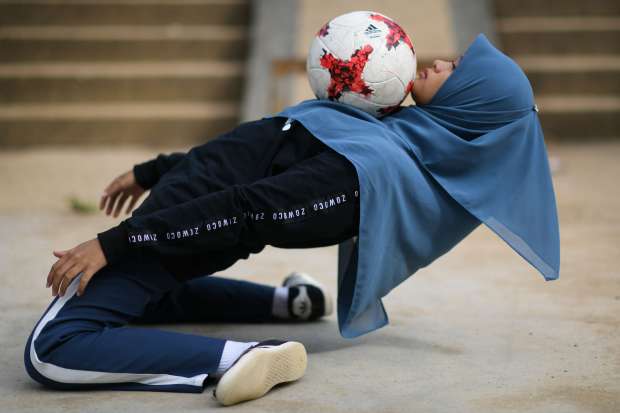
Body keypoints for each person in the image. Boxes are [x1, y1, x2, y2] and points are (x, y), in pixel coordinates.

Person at [24, 33, 559, 405]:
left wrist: (118, 242)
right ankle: (289, 302)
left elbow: (249, 210)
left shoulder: (369, 168)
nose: (442, 63)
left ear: (471, 104)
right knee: (148, 298)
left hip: (182, 227)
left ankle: (242, 356)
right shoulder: (383, 124)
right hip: (178, 214)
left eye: (459, 72)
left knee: (54, 349)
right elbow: (259, 145)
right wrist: (156, 170)